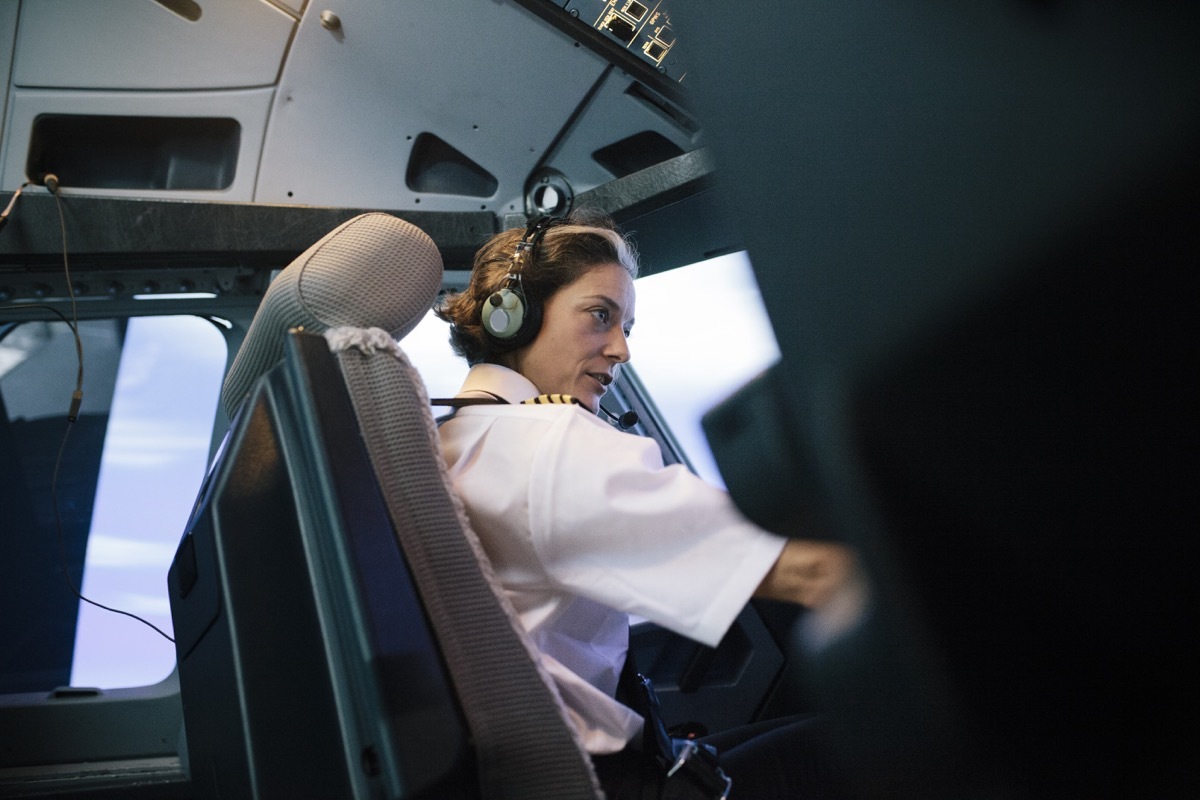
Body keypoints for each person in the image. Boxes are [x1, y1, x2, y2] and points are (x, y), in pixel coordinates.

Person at [434, 209, 864, 799]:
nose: (620, 350)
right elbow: (815, 572)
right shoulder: (551, 446)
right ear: (514, 319)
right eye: (599, 316)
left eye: (626, 326)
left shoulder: (458, 437)